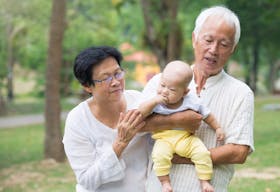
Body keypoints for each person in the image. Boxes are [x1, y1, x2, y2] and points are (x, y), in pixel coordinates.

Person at [144, 5, 254, 192]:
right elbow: (135, 125)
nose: (214, 50)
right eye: (208, 40)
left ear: (233, 49)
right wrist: (177, 120)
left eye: (224, 44)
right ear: (195, 39)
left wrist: (185, 157)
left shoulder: (241, 93)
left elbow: (239, 152)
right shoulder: (160, 81)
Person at [62, 46, 202, 192]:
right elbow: (87, 181)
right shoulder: (77, 120)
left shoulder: (138, 100)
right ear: (87, 86)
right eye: (105, 78)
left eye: (118, 73)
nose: (115, 82)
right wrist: (120, 143)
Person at [138, 60, 225, 192]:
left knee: (202, 153)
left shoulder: (191, 100)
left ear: (185, 92)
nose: (165, 92)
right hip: (163, 138)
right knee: (159, 155)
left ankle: (205, 181)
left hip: (186, 138)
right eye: (162, 85)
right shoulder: (155, 100)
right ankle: (165, 182)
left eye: (172, 89)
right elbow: (141, 112)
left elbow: (207, 114)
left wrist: (217, 128)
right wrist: (155, 100)